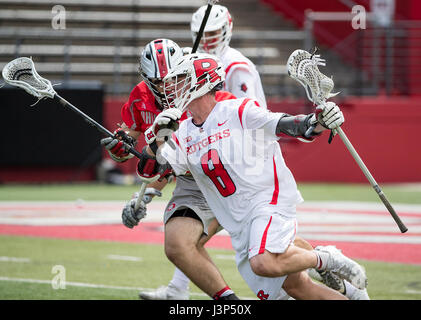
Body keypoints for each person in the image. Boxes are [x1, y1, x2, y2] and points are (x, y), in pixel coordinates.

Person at [138, 4, 369, 300]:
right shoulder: (182, 130)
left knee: (264, 262)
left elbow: (285, 124)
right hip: (238, 219)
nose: (173, 86)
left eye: (181, 80)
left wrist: (315, 122)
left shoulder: (236, 109)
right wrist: (158, 138)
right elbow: (150, 169)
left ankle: (326, 258)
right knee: (295, 288)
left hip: (266, 198)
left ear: (200, 83)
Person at [101, 38, 239, 300]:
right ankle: (192, 294)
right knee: (182, 245)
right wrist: (119, 146)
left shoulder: (208, 99)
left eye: (172, 79)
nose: (166, 88)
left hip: (226, 179)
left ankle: (324, 260)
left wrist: (145, 193)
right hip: (191, 183)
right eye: (158, 82)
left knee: (268, 261)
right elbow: (133, 141)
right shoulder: (141, 95)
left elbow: (170, 160)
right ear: (146, 78)